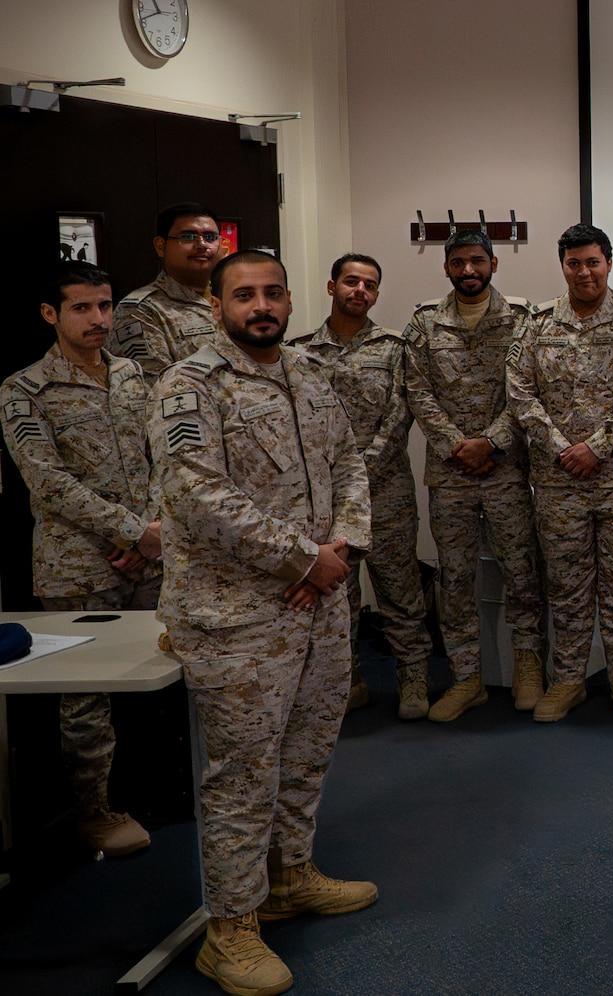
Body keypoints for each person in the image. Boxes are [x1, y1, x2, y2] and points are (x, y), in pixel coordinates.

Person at [150, 250, 375, 996]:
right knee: (243, 775)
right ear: (215, 306)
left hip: (320, 606)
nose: (262, 306)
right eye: (244, 294)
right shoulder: (190, 388)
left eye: (272, 292)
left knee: (308, 752)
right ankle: (231, 928)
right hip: (238, 615)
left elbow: (350, 463)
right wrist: (302, 560)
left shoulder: (311, 373)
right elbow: (197, 496)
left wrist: (342, 546)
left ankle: (290, 877)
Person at [1, 262, 160, 857]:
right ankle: (93, 812)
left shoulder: (135, 376)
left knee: (161, 675)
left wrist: (154, 532)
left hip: (151, 554)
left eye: (106, 306)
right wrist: (132, 531)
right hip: (79, 565)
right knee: (88, 701)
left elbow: (162, 459)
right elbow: (46, 482)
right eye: (83, 308)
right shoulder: (25, 388)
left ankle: (155, 791)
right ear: (51, 314)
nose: (99, 319)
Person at [507, 223, 613, 722]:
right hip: (559, 482)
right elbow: (518, 391)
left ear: (609, 263)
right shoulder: (535, 323)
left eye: (592, 262)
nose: (584, 272)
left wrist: (597, 446)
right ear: (563, 266)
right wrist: (561, 449)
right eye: (574, 263)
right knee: (567, 587)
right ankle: (569, 680)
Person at [403, 229, 547, 721]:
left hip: (506, 470)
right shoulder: (423, 323)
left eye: (478, 261)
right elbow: (417, 390)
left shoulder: (523, 320)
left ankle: (529, 665)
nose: (469, 270)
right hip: (450, 476)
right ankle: (468, 677)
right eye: (459, 262)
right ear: (446, 267)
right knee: (456, 579)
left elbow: (529, 386)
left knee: (521, 573)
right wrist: (456, 446)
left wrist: (493, 442)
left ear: (493, 265)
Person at [290, 254, 432, 721]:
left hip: (384, 493)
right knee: (337, 597)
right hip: (321, 500)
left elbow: (399, 417)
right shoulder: (298, 352)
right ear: (331, 287)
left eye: (370, 285)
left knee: (401, 592)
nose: (360, 291)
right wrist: (330, 483)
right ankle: (347, 680)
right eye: (351, 282)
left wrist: (358, 474)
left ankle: (413, 680)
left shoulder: (394, 348)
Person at [111, 201, 226, 382]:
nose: (202, 245)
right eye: (188, 237)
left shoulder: (232, 299)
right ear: (160, 246)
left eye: (210, 237)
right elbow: (152, 386)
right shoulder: (139, 311)